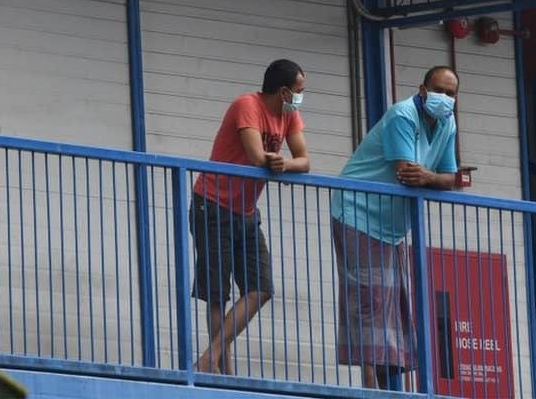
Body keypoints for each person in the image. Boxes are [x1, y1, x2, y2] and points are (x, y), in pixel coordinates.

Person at [330, 65, 460, 389]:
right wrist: (436, 180)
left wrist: (432, 178)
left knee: (395, 301)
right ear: (422, 89)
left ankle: (389, 380)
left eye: (450, 93)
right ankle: (370, 385)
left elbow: (452, 178)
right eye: (439, 90)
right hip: (357, 211)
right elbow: (406, 173)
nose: (444, 98)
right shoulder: (403, 115)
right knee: (368, 296)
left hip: (391, 226)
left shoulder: (447, 123)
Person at [189, 59, 310, 374]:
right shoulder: (248, 105)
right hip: (213, 203)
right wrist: (279, 162)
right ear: (283, 91)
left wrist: (285, 163)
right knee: (218, 293)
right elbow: (258, 157)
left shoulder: (289, 114)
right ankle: (220, 372)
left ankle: (209, 359)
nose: (300, 98)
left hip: (245, 211)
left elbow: (304, 161)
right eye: (298, 91)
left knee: (261, 288)